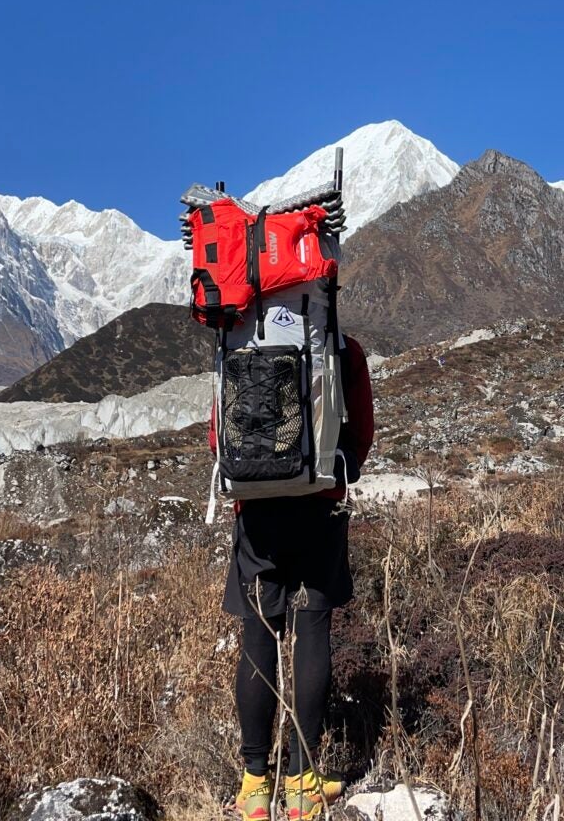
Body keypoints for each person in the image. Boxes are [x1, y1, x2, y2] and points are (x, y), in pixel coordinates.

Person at [211, 334, 375, 821]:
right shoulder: (341, 346)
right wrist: (332, 471)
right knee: (312, 633)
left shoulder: (237, 339)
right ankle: (302, 785)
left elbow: (218, 433)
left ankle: (254, 787)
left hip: (257, 509)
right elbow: (362, 431)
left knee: (258, 636)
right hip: (319, 500)